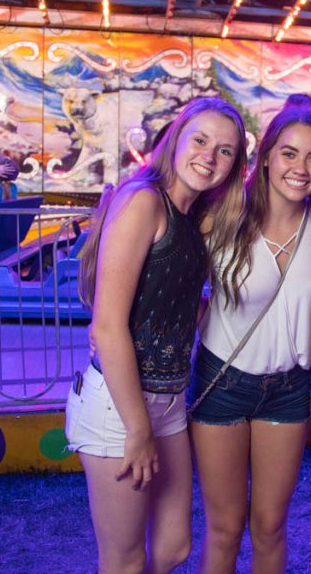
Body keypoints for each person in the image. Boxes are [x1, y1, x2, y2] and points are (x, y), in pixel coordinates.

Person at [65, 97, 247, 574]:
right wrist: (138, 428)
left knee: (173, 549)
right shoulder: (144, 200)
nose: (210, 156)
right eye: (201, 141)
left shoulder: (190, 220)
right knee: (124, 562)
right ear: (176, 140)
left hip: (167, 399)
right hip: (120, 405)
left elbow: (173, 302)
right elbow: (108, 324)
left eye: (225, 151)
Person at [189, 106, 311, 573]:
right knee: (226, 527)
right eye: (289, 153)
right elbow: (171, 285)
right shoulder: (221, 217)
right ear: (267, 156)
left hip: (288, 390)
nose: (301, 167)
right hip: (223, 383)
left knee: (271, 526)